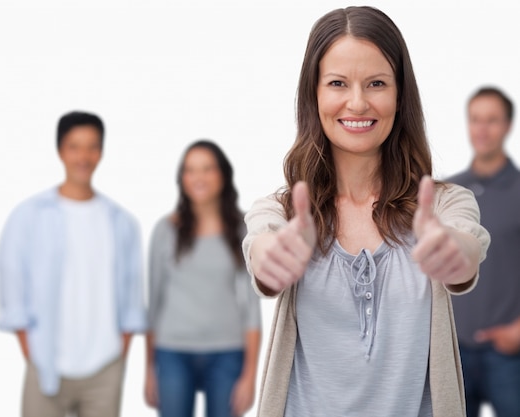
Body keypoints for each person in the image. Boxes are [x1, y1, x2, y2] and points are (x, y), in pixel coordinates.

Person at [242, 6, 491, 417]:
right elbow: (262, 245)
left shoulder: (443, 203)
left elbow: (466, 244)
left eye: (376, 83)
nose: (357, 103)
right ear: (314, 94)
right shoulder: (283, 211)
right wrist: (270, 260)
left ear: (399, 94)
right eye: (338, 83)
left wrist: (455, 254)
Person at [0, 111, 147, 417]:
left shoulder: (121, 222)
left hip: (104, 365)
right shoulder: (29, 216)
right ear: (60, 151)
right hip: (46, 361)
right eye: (74, 146)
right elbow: (12, 283)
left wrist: (119, 353)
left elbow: (132, 295)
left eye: (92, 146)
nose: (83, 156)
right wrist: (31, 349)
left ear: (101, 152)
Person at [144, 140, 262, 417]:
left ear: (223, 174)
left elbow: (252, 308)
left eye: (207, 169)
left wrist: (250, 375)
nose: (198, 177)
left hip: (227, 352)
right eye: (190, 170)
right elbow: (154, 302)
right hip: (172, 352)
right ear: (181, 178)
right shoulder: (165, 230)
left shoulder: (243, 230)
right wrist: (149, 370)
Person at [446, 87, 520, 417]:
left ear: (507, 126)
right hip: (453, 352)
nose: (482, 129)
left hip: (506, 353)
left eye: (492, 120)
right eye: (475, 119)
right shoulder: (448, 193)